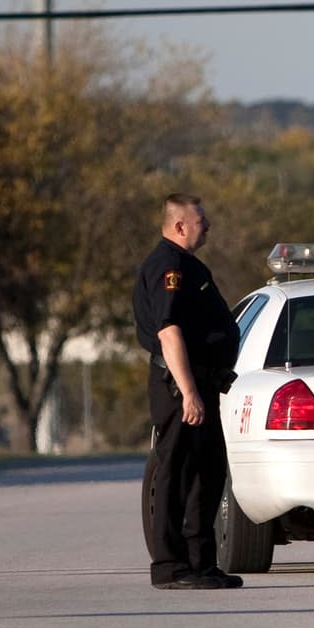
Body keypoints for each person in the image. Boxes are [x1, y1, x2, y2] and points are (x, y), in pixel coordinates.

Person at [133, 193, 242, 590]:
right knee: (176, 474)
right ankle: (170, 566)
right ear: (180, 226)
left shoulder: (187, 265)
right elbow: (169, 331)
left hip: (199, 383)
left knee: (207, 474)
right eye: (201, 220)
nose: (207, 225)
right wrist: (189, 392)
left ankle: (200, 563)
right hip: (181, 386)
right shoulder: (169, 266)